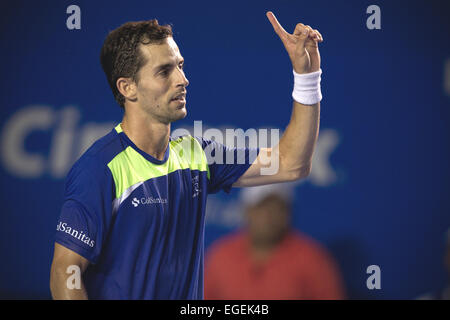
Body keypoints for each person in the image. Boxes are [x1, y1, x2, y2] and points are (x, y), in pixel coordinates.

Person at [49, 12, 325, 299]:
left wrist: (307, 76)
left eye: (180, 66)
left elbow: (292, 163)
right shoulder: (99, 168)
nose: (183, 80)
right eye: (164, 71)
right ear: (127, 87)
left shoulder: (197, 155)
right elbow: (65, 272)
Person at [204, 184, 345, 299]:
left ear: (288, 213)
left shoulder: (312, 259)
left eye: (277, 208)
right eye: (261, 208)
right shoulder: (221, 255)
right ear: (247, 211)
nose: (269, 216)